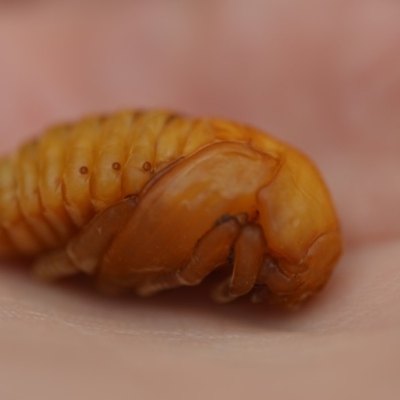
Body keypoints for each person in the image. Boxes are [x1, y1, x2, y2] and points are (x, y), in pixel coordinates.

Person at [0, 2, 399, 399]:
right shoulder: (246, 191)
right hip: (71, 177)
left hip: (116, 158)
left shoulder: (263, 188)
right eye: (287, 270)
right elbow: (174, 248)